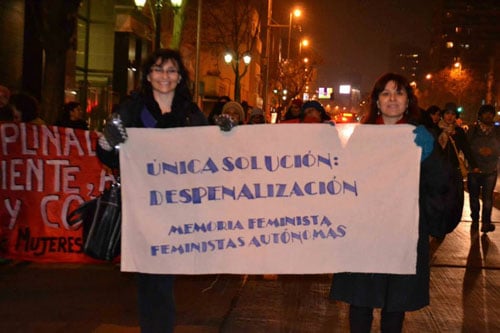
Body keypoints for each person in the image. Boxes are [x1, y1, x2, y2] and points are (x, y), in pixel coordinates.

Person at [96, 48, 208, 333]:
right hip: (142, 209)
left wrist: (225, 132)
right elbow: (113, 157)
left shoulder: (190, 114)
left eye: (171, 71)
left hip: (178, 209)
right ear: (148, 75)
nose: (164, 76)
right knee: (151, 279)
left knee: (161, 279)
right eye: (158, 69)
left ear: (180, 77)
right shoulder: (132, 108)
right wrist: (108, 144)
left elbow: (211, 154)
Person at [330, 73, 448, 333]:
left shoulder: (420, 138)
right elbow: (338, 176)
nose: (392, 98)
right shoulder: (360, 136)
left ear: (408, 101)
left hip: (402, 233)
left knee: (395, 307)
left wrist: (429, 156)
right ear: (377, 101)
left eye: (399, 93)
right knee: (360, 302)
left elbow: (440, 183)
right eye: (385, 93)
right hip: (364, 233)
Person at [437, 102, 478, 229]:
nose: (450, 116)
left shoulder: (459, 131)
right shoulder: (435, 129)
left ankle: (448, 222)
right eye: (447, 113)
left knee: (454, 199)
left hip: (454, 169)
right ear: (443, 115)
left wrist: (474, 165)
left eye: (453, 114)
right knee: (438, 198)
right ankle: (438, 223)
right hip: (438, 169)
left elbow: (466, 148)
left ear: (456, 117)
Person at [467, 104, 500, 233]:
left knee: (488, 197)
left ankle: (486, 222)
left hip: (490, 170)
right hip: (474, 169)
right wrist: (478, 152)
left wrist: (491, 151)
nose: (488, 115)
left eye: (490, 113)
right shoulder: (473, 130)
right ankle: (475, 218)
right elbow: (466, 148)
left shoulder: (497, 131)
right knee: (474, 197)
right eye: (485, 113)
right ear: (480, 116)